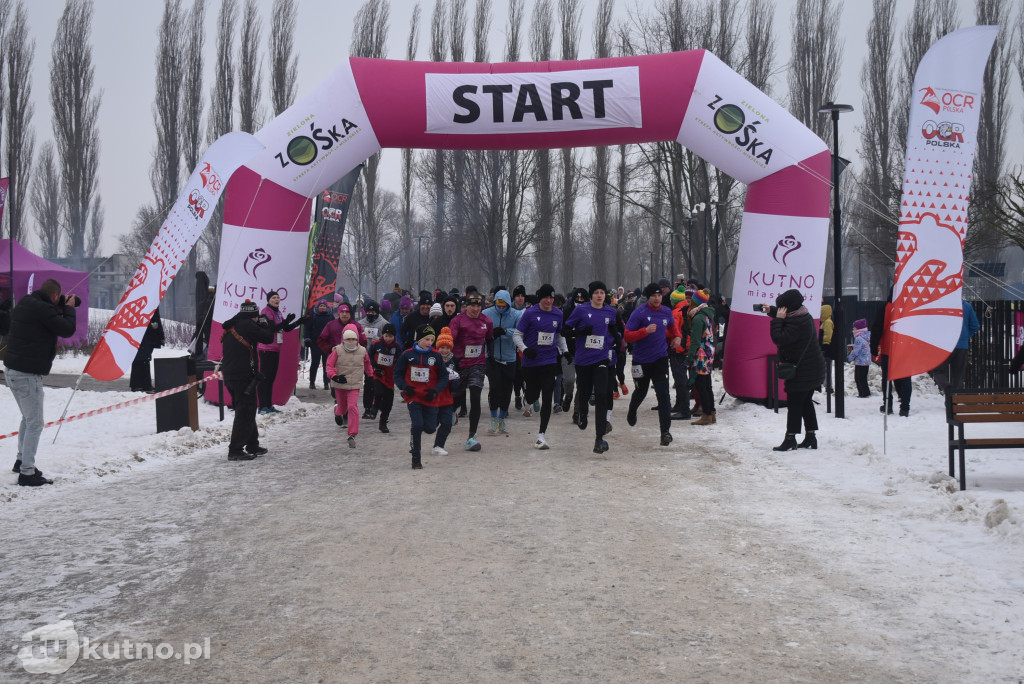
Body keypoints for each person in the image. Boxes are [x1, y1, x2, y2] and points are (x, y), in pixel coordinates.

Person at [4, 279, 79, 485]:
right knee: (35, 423)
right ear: (56, 296)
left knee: (27, 419)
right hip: (27, 375)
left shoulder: (27, 302)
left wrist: (59, 306)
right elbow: (66, 330)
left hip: (12, 370)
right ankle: (27, 473)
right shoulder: (45, 310)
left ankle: (21, 461)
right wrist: (69, 309)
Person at [762, 289, 826, 451]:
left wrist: (776, 319)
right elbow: (788, 317)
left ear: (788, 308)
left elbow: (780, 338)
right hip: (811, 368)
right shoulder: (802, 315)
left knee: (795, 403)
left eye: (782, 308)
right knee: (805, 402)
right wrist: (772, 310)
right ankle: (811, 436)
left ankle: (790, 438)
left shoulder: (798, 323)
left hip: (804, 370)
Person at [220, 300, 281, 461]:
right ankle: (235, 449)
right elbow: (268, 338)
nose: (257, 319)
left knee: (247, 409)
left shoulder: (232, 324)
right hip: (243, 376)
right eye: (256, 317)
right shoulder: (247, 325)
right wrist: (265, 323)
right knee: (245, 411)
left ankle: (252, 444)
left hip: (231, 375)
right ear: (253, 315)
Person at [624, 282, 682, 446]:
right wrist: (645, 331)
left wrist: (677, 337)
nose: (657, 299)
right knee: (641, 391)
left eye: (659, 295)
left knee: (663, 395)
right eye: (653, 296)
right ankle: (632, 410)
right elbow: (627, 336)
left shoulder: (666, 311)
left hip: (660, 359)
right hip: (641, 360)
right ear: (648, 297)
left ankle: (665, 432)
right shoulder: (639, 313)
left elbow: (673, 329)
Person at [564, 281, 619, 454]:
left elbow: (615, 329)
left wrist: (617, 340)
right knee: (585, 392)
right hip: (583, 359)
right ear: (591, 295)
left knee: (602, 394)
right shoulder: (581, 310)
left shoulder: (611, 311)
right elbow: (565, 331)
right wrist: (580, 332)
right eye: (596, 292)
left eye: (602, 292)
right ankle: (582, 413)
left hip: (602, 358)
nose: (600, 295)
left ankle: (599, 439)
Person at [513, 284, 567, 449]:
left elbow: (558, 336)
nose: (549, 301)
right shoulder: (530, 313)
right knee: (532, 395)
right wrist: (525, 349)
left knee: (547, 396)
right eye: (546, 298)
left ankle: (541, 435)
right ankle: (527, 397)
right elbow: (517, 335)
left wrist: (565, 351)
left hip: (549, 361)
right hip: (531, 363)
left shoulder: (558, 314)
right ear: (540, 298)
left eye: (551, 298)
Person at [394, 324, 449, 469]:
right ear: (418, 339)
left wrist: (435, 390)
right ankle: (416, 457)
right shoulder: (407, 355)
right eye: (427, 339)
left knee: (430, 428)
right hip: (413, 396)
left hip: (430, 397)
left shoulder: (436, 356)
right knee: (417, 425)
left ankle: (421, 432)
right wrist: (405, 387)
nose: (429, 343)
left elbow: (444, 377)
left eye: (432, 339)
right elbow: (397, 374)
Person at [449, 293, 494, 451]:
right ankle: (452, 411)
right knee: (457, 396)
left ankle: (471, 437)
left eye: (478, 306)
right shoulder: (457, 321)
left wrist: (492, 357)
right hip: (460, 364)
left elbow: (489, 339)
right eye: (472, 305)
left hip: (478, 364)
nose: (475, 309)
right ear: (466, 306)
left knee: (475, 396)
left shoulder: (486, 321)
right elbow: (450, 340)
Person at [257, 291, 304, 414]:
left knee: (271, 378)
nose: (276, 299)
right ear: (268, 300)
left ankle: (268, 404)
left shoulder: (277, 312)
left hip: (275, 349)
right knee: (265, 378)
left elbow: (286, 328)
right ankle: (262, 406)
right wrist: (286, 321)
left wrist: (298, 322)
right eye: (273, 298)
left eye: (278, 297)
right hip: (266, 349)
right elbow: (272, 328)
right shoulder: (266, 311)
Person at [484, 288, 523, 431]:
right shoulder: (486, 314)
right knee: (494, 387)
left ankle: (502, 418)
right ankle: (494, 418)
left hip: (510, 357)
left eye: (503, 305)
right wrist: (490, 333)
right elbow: (481, 330)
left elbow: (520, 332)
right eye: (498, 305)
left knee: (507, 389)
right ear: (494, 303)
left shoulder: (516, 314)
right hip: (492, 357)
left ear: (508, 304)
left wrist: (506, 331)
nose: (501, 308)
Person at [327, 325, 372, 449]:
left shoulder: (362, 351)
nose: (351, 342)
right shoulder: (337, 350)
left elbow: (367, 364)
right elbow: (329, 366)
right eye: (348, 339)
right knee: (343, 408)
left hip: (354, 384)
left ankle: (352, 434)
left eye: (353, 339)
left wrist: (371, 376)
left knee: (352, 406)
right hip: (340, 383)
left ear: (357, 339)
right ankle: (337, 411)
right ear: (343, 339)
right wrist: (334, 376)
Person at [871, 290, 912, 416]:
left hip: (888, 349)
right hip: (905, 348)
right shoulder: (909, 307)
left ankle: (888, 404)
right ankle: (905, 407)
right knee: (905, 379)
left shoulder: (885, 307)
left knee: (887, 378)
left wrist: (874, 346)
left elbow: (877, 328)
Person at [931, 299, 980, 393]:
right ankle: (955, 401)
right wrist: (964, 337)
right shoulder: (967, 306)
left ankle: (946, 388)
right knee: (958, 375)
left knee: (938, 371)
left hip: (943, 345)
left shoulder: (939, 305)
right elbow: (975, 325)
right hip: (962, 346)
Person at [684, 289, 716, 426]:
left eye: (691, 301)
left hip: (701, 355)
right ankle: (711, 412)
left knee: (701, 385)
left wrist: (688, 359)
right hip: (709, 353)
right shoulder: (707, 315)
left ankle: (706, 414)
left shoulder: (698, 318)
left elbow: (695, 342)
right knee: (707, 384)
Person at [431, 327, 463, 456]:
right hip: (434, 397)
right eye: (442, 348)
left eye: (447, 348)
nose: (444, 351)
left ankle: (438, 446)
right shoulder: (432, 360)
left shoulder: (454, 362)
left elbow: (458, 379)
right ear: (437, 348)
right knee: (431, 425)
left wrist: (456, 382)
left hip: (447, 397)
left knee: (446, 423)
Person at [357, 301, 387, 418]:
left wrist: (379, 341)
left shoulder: (383, 323)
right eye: (369, 311)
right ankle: (367, 408)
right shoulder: (360, 324)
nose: (371, 313)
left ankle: (379, 405)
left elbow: (388, 339)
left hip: (379, 358)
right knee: (368, 383)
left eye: (373, 311)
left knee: (379, 383)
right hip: (365, 357)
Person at [368, 323, 400, 433]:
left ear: (394, 337)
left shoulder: (397, 347)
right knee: (378, 392)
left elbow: (401, 361)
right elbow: (369, 356)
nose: (388, 339)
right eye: (386, 336)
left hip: (390, 377)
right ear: (383, 335)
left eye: (390, 336)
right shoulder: (376, 344)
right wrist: (375, 366)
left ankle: (383, 423)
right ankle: (374, 407)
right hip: (378, 374)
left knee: (388, 404)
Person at [129, 307, 165, 392]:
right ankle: (141, 385)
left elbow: (156, 318)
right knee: (142, 358)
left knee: (143, 358)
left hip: (147, 334)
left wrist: (161, 335)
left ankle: (142, 384)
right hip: (144, 333)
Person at [304, 299, 334, 389]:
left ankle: (326, 383)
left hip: (326, 344)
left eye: (324, 306)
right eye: (320, 306)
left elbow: (334, 329)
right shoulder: (313, 316)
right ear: (318, 307)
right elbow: (307, 328)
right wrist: (307, 338)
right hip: (315, 343)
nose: (322, 307)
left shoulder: (330, 316)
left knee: (327, 363)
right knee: (315, 363)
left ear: (326, 307)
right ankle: (312, 382)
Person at [848, 318, 872, 397]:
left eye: (854, 327)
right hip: (866, 361)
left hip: (860, 361)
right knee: (863, 378)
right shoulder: (866, 336)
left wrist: (850, 357)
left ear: (858, 329)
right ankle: (866, 392)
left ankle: (863, 394)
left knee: (858, 378)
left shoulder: (858, 338)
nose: (853, 329)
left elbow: (856, 351)